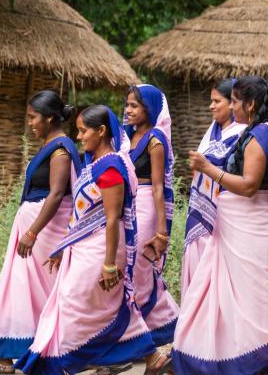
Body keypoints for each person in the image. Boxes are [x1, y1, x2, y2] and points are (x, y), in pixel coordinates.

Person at [15, 105, 170, 375]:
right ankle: (152, 357)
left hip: (101, 248)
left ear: (101, 131)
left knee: (75, 303)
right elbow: (82, 213)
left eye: (84, 131)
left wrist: (109, 263)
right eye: (78, 130)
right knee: (102, 305)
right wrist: (64, 247)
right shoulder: (95, 164)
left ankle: (60, 363)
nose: (79, 136)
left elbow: (111, 219)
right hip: (87, 246)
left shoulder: (110, 166)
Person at [173, 76, 268, 375]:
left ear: (250, 104)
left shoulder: (258, 137)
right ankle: (217, 357)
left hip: (249, 232)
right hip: (233, 232)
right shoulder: (266, 130)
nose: (233, 107)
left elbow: (251, 185)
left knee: (256, 301)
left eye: (236, 102)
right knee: (219, 296)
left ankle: (264, 361)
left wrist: (209, 169)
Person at [0, 91, 81, 374]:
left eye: (33, 117)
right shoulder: (51, 144)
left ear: (49, 118)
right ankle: (12, 353)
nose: (30, 123)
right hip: (34, 228)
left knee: (29, 288)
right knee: (22, 288)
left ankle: (35, 350)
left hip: (43, 233)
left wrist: (32, 232)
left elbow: (57, 195)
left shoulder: (60, 149)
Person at [123, 84, 180, 346]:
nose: (128, 110)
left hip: (145, 206)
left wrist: (160, 232)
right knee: (129, 270)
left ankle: (135, 337)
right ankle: (168, 327)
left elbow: (159, 187)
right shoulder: (127, 136)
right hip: (127, 207)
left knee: (141, 271)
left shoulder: (156, 140)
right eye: (127, 105)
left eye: (135, 105)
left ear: (149, 108)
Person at [180, 78, 247, 295]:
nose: (211, 106)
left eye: (217, 101)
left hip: (224, 214)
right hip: (199, 210)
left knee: (219, 275)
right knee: (197, 265)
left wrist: (206, 167)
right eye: (211, 101)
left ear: (233, 103)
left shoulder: (243, 134)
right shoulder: (213, 131)